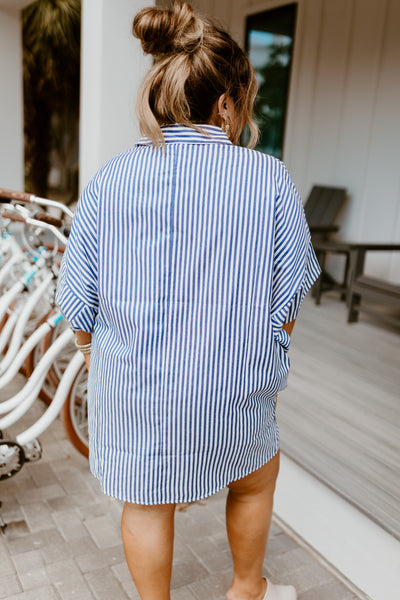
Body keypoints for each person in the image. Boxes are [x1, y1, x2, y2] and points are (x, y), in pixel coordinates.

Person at [56, 2, 321, 599]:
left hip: (137, 387)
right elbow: (289, 300)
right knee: (254, 481)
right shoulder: (267, 178)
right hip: (233, 386)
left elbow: (77, 303)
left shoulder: (112, 178)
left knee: (147, 504)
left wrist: (101, 358)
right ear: (226, 103)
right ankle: (247, 590)